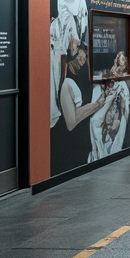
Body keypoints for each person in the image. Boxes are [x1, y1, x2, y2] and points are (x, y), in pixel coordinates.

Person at [51, 41, 106, 172]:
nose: (83, 59)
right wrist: (97, 105)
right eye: (81, 55)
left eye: (85, 56)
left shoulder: (82, 77)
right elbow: (71, 122)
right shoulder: (65, 83)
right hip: (68, 151)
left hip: (82, 146)